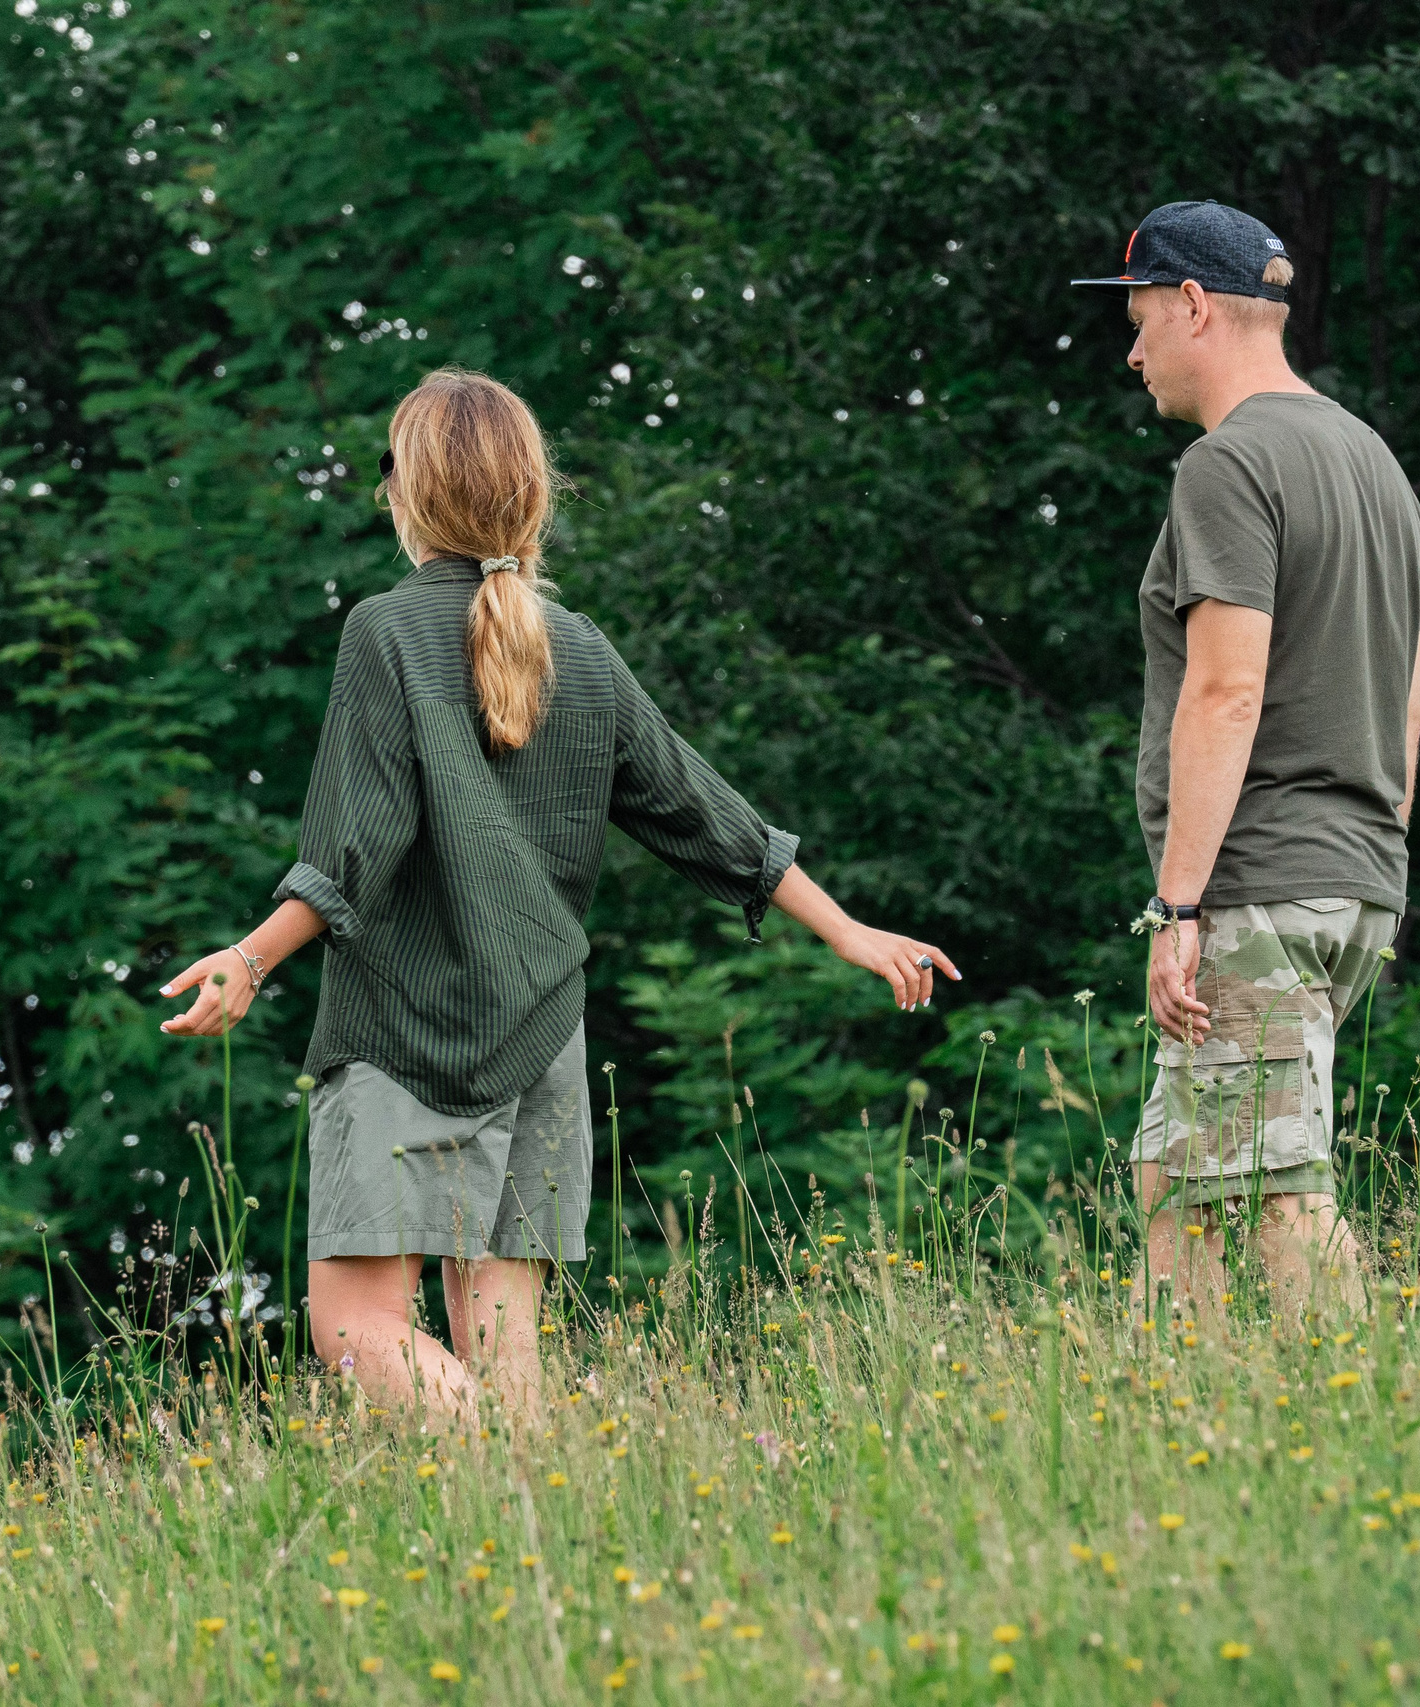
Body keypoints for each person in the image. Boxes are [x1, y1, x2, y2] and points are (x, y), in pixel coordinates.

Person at [155, 368, 956, 1424]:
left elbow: (356, 842)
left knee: (355, 1323)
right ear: (530, 493)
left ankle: (503, 1475)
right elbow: (709, 819)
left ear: (411, 491)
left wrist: (249, 958)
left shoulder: (384, 633)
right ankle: (546, 1538)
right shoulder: (579, 649)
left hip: (408, 1030)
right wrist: (846, 930)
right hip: (543, 1036)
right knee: (502, 1337)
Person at [1073, 201, 1420, 1328]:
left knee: (1276, 1189)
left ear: (1191, 305)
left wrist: (1176, 903)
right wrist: (1382, 842)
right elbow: (1411, 682)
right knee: (1176, 1177)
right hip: (1355, 869)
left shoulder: (1228, 465)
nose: (1131, 353)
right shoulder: (1367, 456)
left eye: (1138, 320)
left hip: (1261, 878)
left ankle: (1366, 1417)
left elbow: (1225, 689)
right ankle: (1188, 1421)